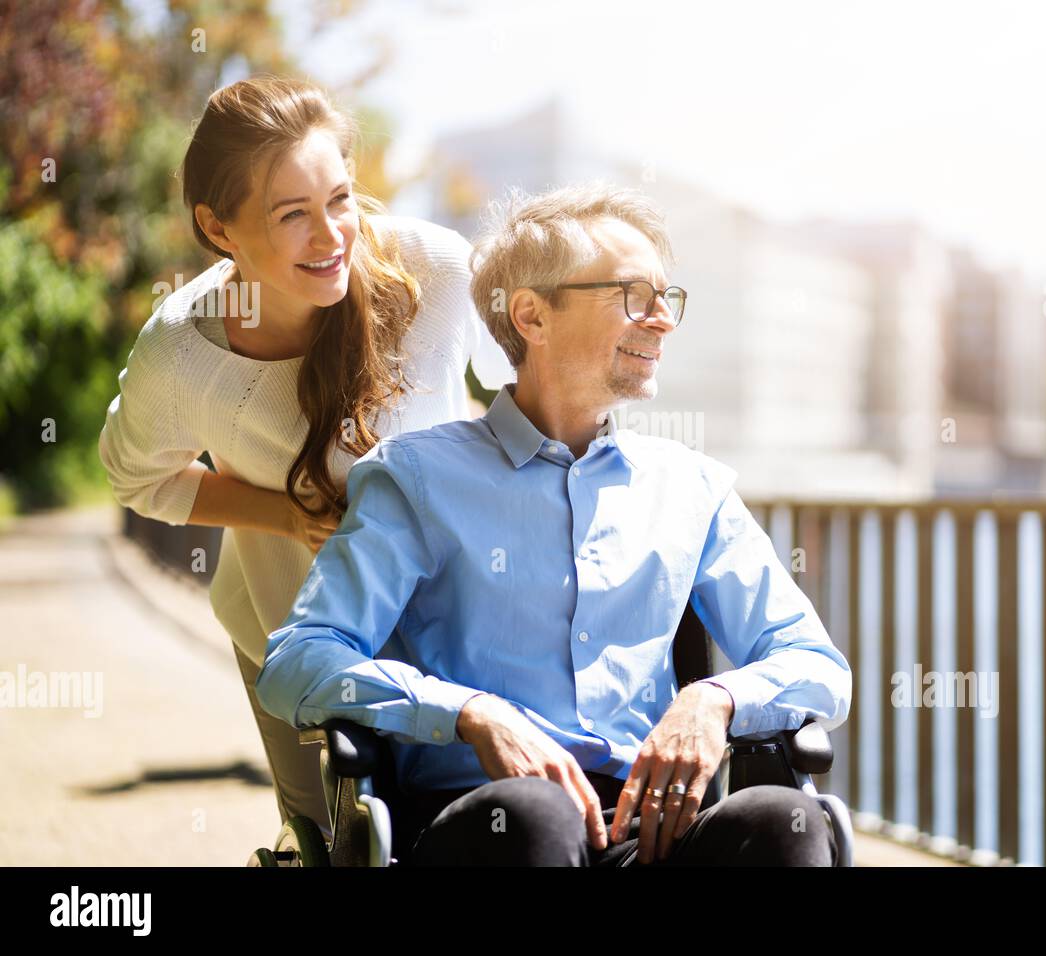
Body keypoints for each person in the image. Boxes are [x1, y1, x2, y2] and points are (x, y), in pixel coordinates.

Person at [255, 182, 852, 866]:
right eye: (633, 295)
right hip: (492, 829)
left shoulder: (693, 489)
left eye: (667, 297)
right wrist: (470, 713)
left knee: (785, 821)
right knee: (537, 814)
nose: (662, 319)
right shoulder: (417, 478)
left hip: (647, 834)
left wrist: (715, 700)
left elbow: (817, 666)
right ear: (533, 316)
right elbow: (298, 663)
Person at [96, 75, 512, 842]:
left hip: (459, 634)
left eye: (340, 200)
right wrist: (285, 515)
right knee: (330, 840)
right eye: (293, 215)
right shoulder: (183, 352)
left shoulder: (443, 273)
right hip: (294, 643)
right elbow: (137, 476)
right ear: (218, 228)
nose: (331, 238)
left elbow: (531, 386)